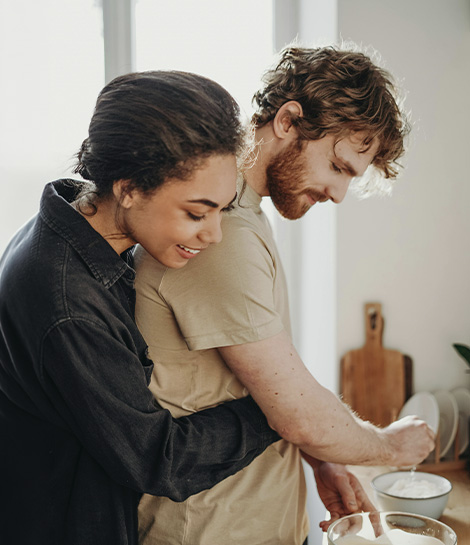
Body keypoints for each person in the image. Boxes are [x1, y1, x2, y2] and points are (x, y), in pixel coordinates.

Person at [134, 46, 435, 545]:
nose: (338, 195)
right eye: (338, 167)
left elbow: (259, 379)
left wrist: (324, 456)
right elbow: (294, 408)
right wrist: (387, 447)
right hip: (212, 530)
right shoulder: (221, 230)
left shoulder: (243, 217)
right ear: (288, 120)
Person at [0, 70, 285, 545]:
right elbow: (159, 459)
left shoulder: (69, 222)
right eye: (196, 213)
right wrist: (276, 409)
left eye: (222, 209)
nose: (214, 235)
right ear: (129, 188)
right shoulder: (70, 306)